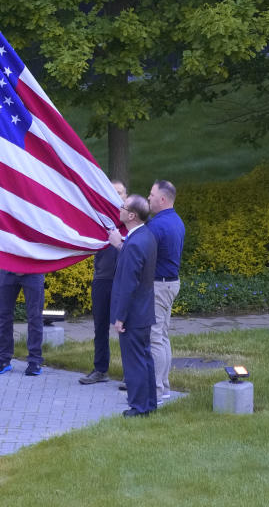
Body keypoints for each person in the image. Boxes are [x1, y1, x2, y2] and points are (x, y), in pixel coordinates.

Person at [110, 194, 158, 417]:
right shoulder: (145, 236)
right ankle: (149, 403)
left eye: (123, 206)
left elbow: (128, 284)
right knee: (144, 358)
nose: (119, 209)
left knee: (134, 362)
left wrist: (120, 318)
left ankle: (138, 408)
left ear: (131, 215)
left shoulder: (135, 242)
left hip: (133, 314)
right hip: (144, 310)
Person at [79, 179, 127, 385]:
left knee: (127, 328)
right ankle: (100, 369)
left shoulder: (132, 222)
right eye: (113, 192)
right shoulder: (100, 219)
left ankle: (130, 374)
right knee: (100, 327)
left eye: (121, 193)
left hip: (123, 282)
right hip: (102, 279)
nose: (117, 196)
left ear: (126, 196)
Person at [146, 180, 186, 404]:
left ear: (162, 199)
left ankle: (156, 391)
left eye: (151, 195)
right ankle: (165, 387)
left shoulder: (158, 226)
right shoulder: (175, 220)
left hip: (159, 285)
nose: (148, 198)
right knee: (162, 335)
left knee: (154, 339)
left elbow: (141, 254)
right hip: (170, 283)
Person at [0, 270, 45, 377]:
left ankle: (35, 361)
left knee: (35, 317)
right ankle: (3, 359)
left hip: (33, 269)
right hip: (8, 269)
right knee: (4, 316)